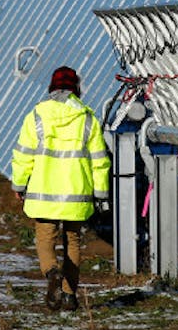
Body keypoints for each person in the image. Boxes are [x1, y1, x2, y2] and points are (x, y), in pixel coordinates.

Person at [11, 65, 111, 312]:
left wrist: (19, 183)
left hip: (43, 194)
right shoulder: (88, 118)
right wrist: (101, 194)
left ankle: (51, 272)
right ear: (76, 88)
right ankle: (69, 295)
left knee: (45, 238)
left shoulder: (36, 115)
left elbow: (24, 154)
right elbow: (99, 160)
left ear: (51, 88)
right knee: (73, 241)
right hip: (76, 195)